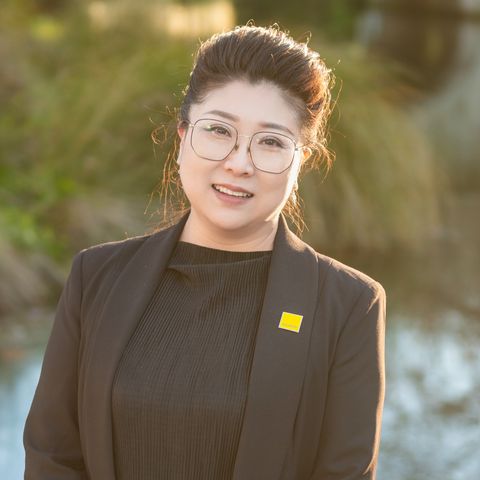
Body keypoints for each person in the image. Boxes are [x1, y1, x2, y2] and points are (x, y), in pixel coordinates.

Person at [23, 24, 386, 480]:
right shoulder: (95, 276)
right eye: (218, 130)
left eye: (271, 142)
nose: (239, 163)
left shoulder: (349, 304)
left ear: (302, 161)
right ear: (182, 137)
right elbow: (51, 456)